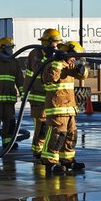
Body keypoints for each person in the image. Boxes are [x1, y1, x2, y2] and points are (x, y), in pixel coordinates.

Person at [40, 40, 90, 174]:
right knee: (57, 135)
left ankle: (67, 160)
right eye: (74, 56)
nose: (74, 59)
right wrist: (58, 61)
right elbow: (50, 78)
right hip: (57, 107)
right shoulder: (52, 64)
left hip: (69, 108)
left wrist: (81, 68)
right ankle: (50, 162)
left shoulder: (69, 65)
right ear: (67, 52)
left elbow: (82, 75)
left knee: (71, 135)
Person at [24, 28, 63, 160]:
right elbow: (38, 68)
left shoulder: (57, 53)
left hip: (51, 96)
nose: (56, 45)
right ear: (47, 42)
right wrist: (47, 57)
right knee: (42, 126)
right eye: (55, 42)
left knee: (52, 125)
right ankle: (38, 150)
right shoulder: (36, 53)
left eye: (58, 43)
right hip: (38, 95)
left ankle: (46, 149)